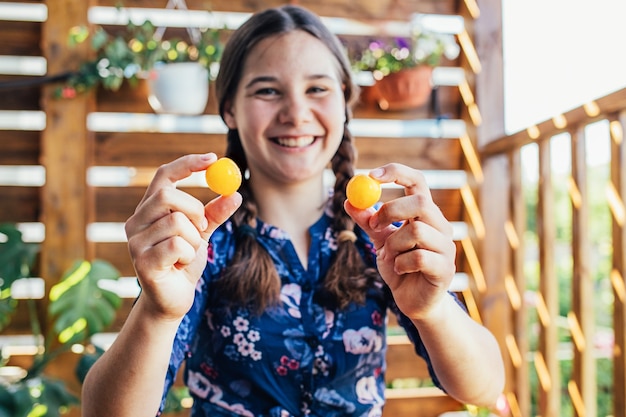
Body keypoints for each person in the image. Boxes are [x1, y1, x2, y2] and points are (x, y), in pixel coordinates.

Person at [81, 5, 505, 417]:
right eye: (267, 90)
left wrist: (432, 310)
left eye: (317, 88)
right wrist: (157, 313)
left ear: (344, 102)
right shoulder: (199, 244)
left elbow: (484, 387)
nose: (296, 113)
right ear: (230, 108)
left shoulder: (381, 235)